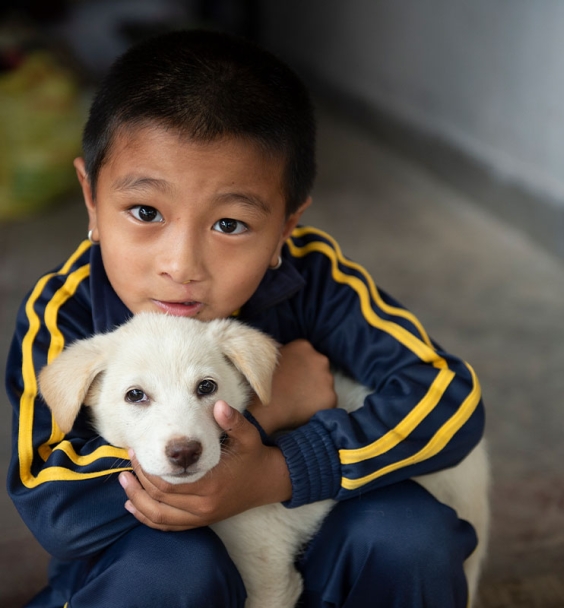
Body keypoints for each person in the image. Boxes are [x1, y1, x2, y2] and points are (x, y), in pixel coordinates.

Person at [6, 30, 484, 608]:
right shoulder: (64, 312)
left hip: (311, 548)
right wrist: (263, 417)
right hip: (149, 567)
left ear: (286, 226)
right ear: (91, 200)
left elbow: (448, 400)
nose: (181, 265)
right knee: (171, 568)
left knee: (409, 535)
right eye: (145, 211)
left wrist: (281, 471)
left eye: (229, 224)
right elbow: (55, 504)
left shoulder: (314, 279)